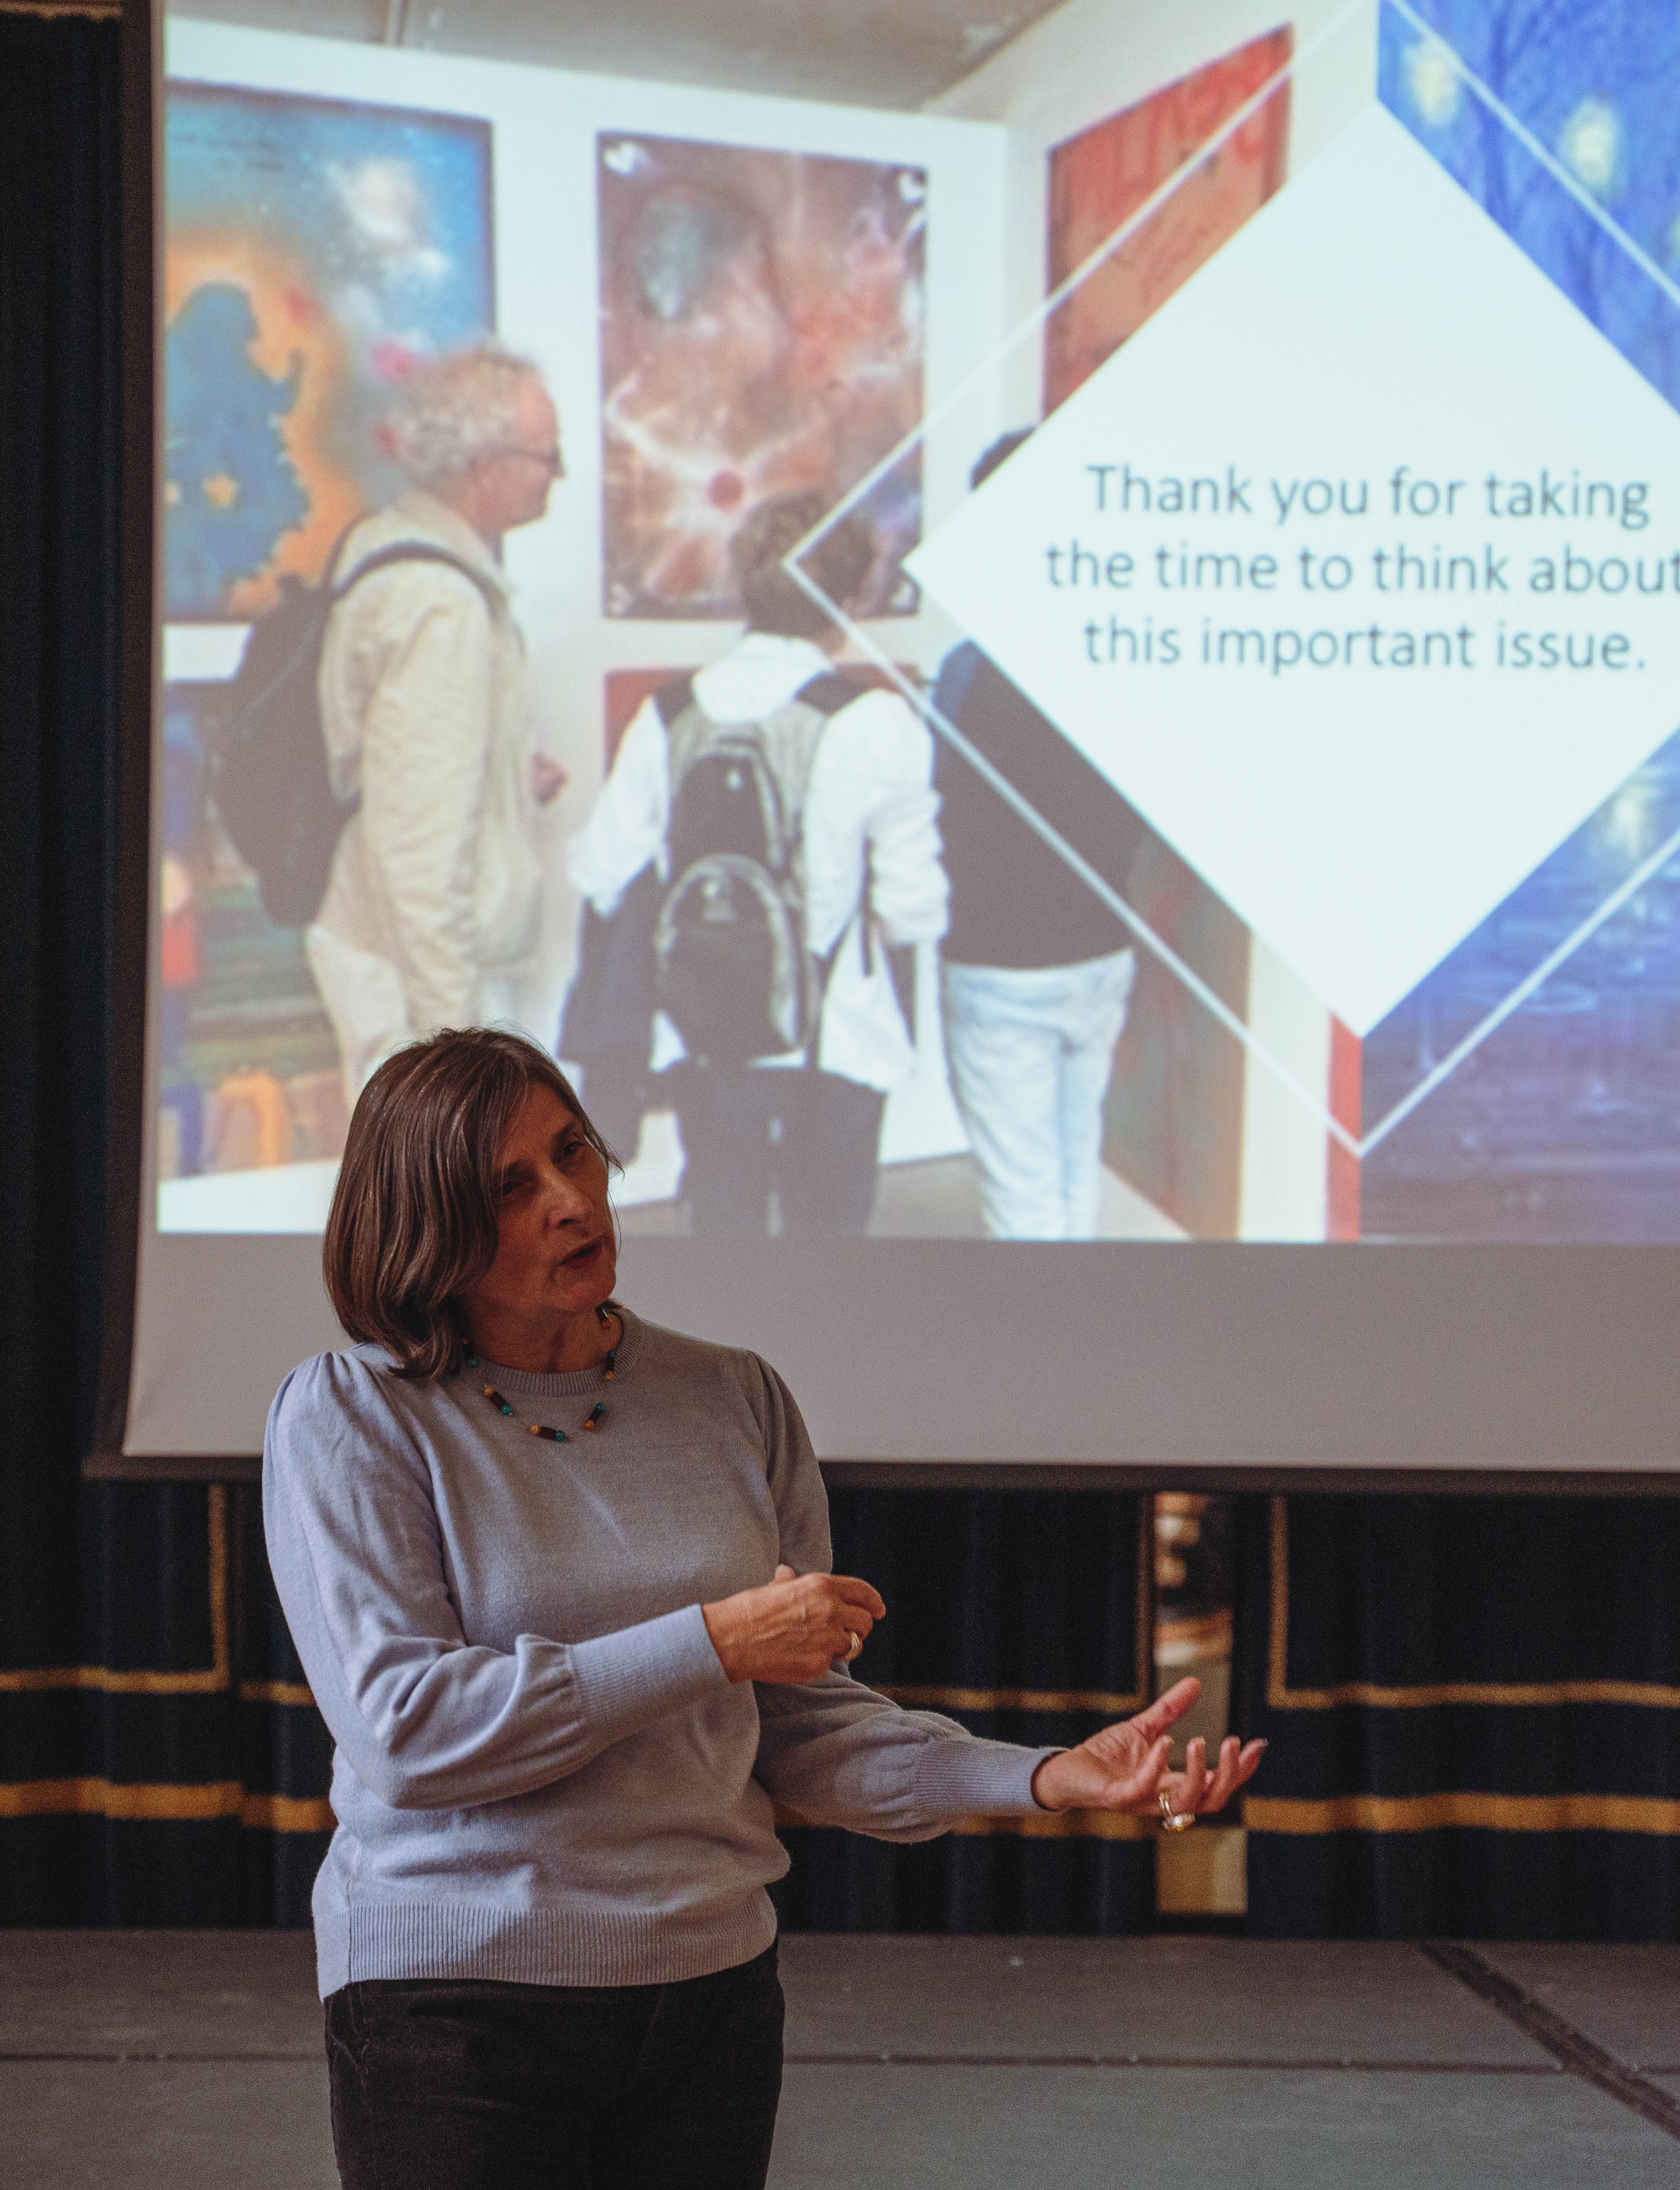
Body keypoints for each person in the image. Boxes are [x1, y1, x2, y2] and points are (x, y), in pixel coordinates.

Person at [264, 1028, 1263, 2190]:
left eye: (574, 1150)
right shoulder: (352, 1413)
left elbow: (802, 1729)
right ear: (426, 1222)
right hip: (454, 2003)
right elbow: (408, 1730)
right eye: (510, 1186)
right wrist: (714, 1640)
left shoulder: (733, 1392)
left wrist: (1043, 1774)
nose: (573, 1200)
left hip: (710, 1997)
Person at [565, 490, 944, 1235]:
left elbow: (602, 872)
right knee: (826, 1251)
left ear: (748, 582)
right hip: (840, 1035)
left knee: (722, 1239)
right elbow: (911, 910)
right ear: (851, 589)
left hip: (705, 1031)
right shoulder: (877, 721)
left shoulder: (668, 713)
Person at [307, 343, 572, 1100]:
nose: (558, 475)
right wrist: (453, 1050)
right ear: (484, 467)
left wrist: (503, 776)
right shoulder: (441, 604)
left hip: (405, 972)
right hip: (429, 992)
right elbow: (418, 851)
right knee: (443, 1216)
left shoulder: (386, 550)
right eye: (546, 456)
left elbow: (402, 772)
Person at [933, 430, 1152, 1239]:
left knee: (1020, 1193)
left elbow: (936, 803)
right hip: (1101, 949)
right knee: (1072, 1166)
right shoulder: (1125, 654)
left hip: (1000, 962)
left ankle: (1041, 1353)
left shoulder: (969, 672)